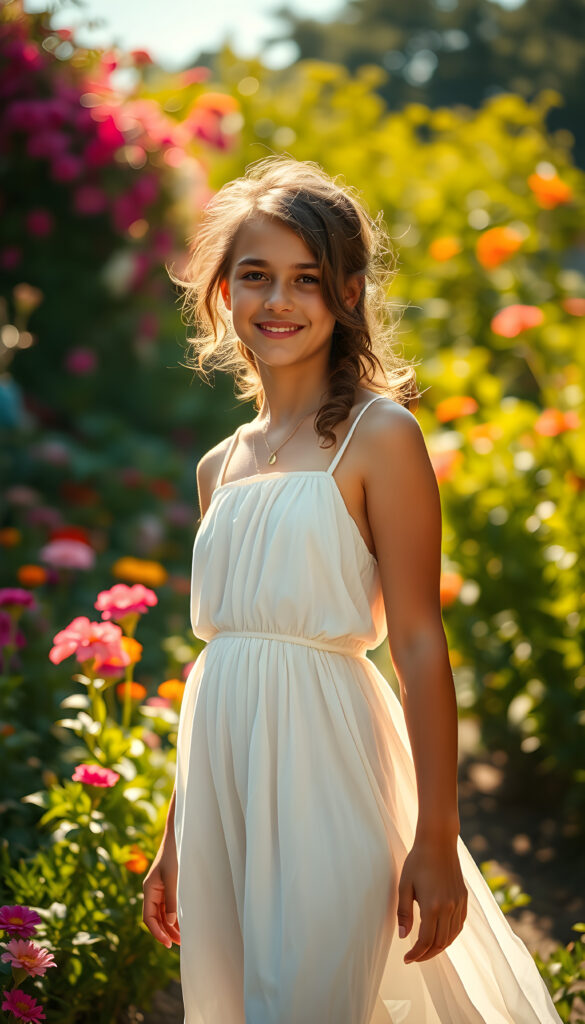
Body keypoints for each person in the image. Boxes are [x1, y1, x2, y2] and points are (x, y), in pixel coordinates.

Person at [143, 155, 562, 1023]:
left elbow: (416, 642)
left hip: (329, 768)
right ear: (222, 293)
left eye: (308, 278)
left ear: (347, 293)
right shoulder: (217, 466)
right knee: (233, 1001)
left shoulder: (380, 437)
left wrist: (437, 837)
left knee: (307, 1000)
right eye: (255, 276)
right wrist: (175, 835)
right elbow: (219, 656)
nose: (278, 301)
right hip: (223, 781)